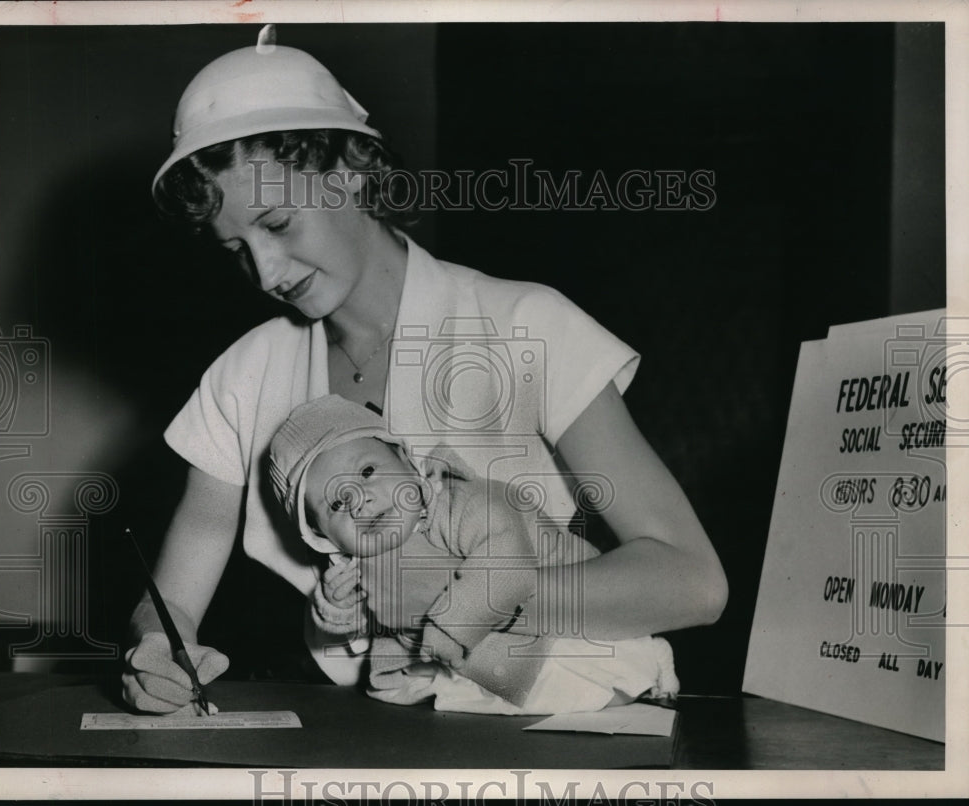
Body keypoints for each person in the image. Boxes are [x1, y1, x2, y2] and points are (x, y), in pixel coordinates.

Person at [122, 26, 727, 715]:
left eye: (280, 224)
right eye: (235, 248)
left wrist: (464, 597)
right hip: (368, 737)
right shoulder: (244, 375)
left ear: (349, 169)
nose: (265, 272)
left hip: (553, 723)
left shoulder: (526, 323)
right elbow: (172, 597)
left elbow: (693, 582)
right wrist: (155, 649)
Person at [267, 393, 681, 715]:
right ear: (323, 537)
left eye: (367, 472)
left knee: (584, 679)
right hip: (468, 656)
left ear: (407, 462)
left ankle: (647, 658)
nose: (359, 501)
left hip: (559, 617)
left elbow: (507, 556)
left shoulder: (464, 501)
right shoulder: (364, 559)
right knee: (425, 689)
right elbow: (370, 615)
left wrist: (450, 628)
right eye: (336, 505)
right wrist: (339, 609)